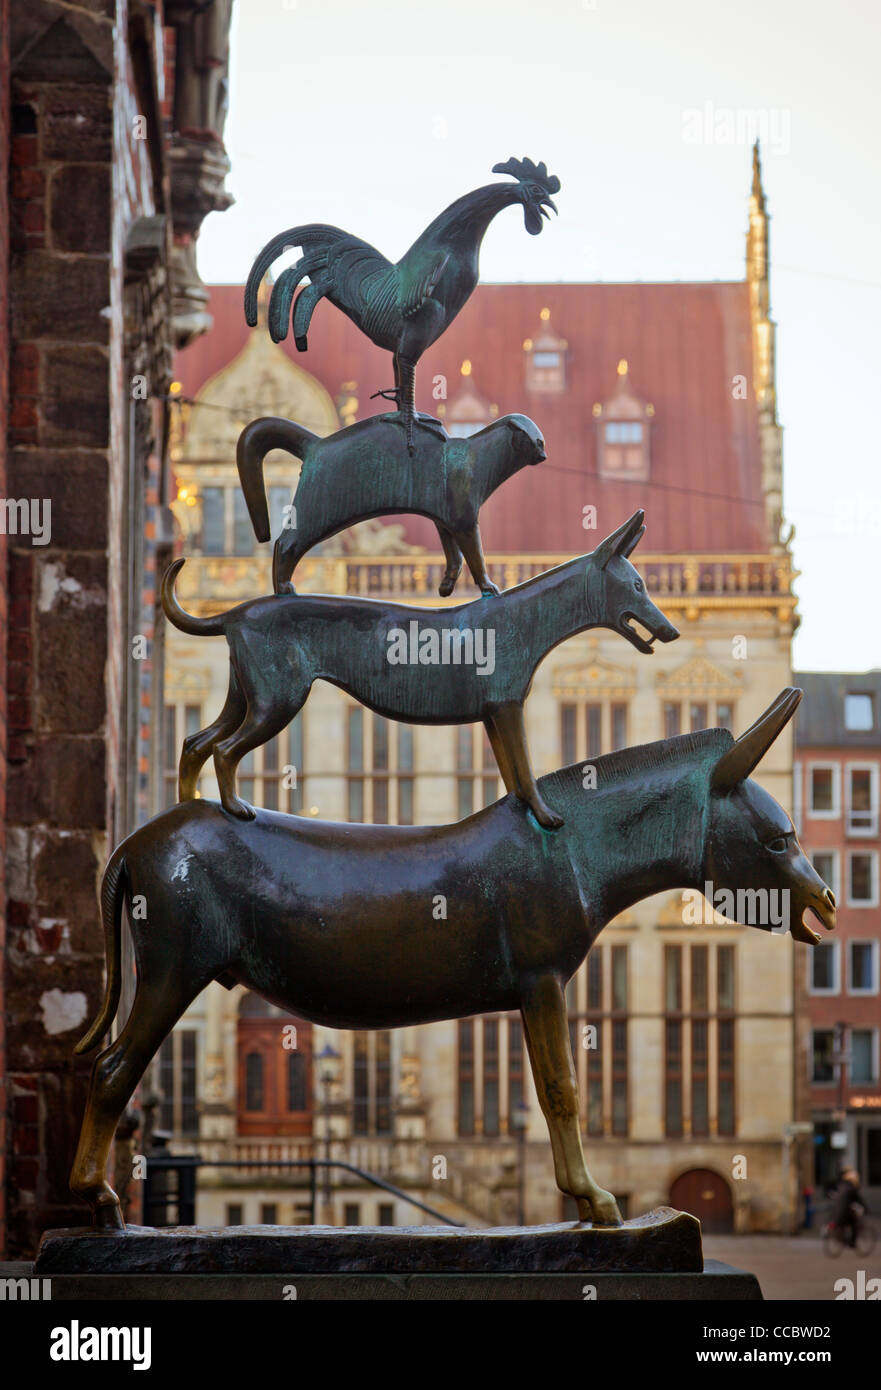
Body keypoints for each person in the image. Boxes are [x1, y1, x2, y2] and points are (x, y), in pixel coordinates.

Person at [833, 1168, 864, 1248]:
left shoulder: (841, 1185)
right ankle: (852, 1243)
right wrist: (866, 1209)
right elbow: (859, 1200)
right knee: (855, 1223)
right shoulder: (851, 1188)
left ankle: (843, 1239)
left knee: (844, 1222)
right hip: (844, 1212)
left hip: (836, 1211)